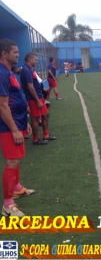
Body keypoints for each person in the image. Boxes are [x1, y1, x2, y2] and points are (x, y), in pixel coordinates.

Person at [0, 39, 34, 217]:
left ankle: (17, 188)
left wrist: (23, 123)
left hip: (17, 123)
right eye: (14, 52)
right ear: (4, 54)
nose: (18, 54)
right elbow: (3, 106)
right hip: (7, 127)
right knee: (11, 162)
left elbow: (16, 99)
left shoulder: (10, 72)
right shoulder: (2, 74)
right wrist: (14, 129)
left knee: (16, 160)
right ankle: (7, 205)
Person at [20, 52, 57, 145]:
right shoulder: (26, 70)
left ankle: (46, 135)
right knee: (35, 118)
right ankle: (36, 139)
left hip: (39, 97)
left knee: (45, 115)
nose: (36, 61)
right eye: (35, 59)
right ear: (30, 59)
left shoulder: (29, 69)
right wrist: (37, 101)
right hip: (34, 99)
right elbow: (30, 87)